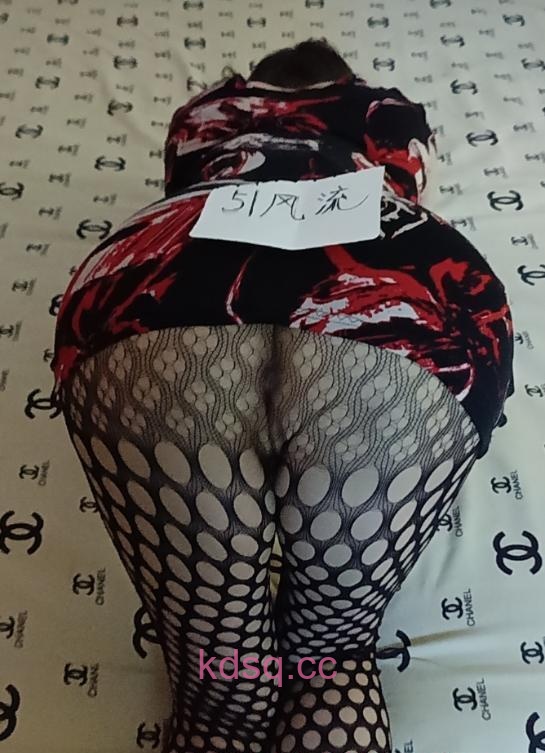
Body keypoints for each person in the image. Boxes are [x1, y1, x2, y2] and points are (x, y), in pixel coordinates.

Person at [51, 39, 514, 753]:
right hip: (392, 280)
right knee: (333, 664)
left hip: (170, 270)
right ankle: (326, 671)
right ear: (345, 79)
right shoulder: (387, 110)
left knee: (217, 691)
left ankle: (224, 692)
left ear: (252, 84)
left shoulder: (202, 113)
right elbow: (410, 186)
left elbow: (181, 176)